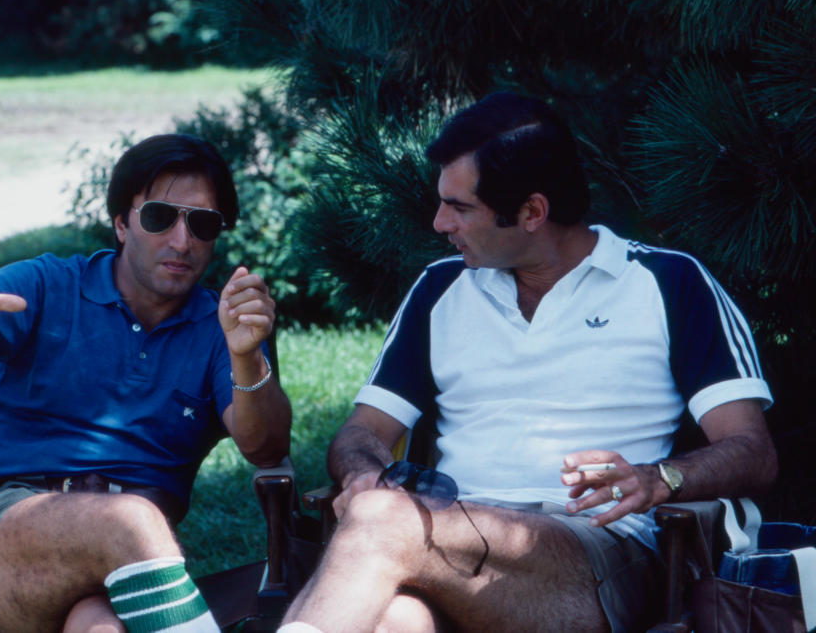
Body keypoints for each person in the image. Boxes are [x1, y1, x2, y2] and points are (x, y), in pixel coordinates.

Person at [279, 93, 777, 633]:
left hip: (599, 556)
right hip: (444, 543)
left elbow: (753, 451)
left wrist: (660, 479)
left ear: (532, 212)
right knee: (396, 621)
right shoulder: (440, 290)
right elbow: (362, 432)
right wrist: (364, 473)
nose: (439, 222)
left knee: (381, 521)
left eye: (460, 207)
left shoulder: (670, 283)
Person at [0, 133, 292, 633]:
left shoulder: (223, 327)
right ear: (122, 223)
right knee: (133, 520)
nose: (182, 241)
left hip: (125, 565)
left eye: (202, 224)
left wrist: (247, 357)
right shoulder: (49, 285)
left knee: (97, 626)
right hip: (10, 528)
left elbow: (267, 448)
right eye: (161, 217)